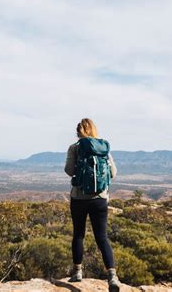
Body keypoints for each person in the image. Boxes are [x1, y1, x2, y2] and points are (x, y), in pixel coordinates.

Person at [64, 118, 121, 292]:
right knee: (102, 238)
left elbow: (69, 171)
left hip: (79, 198)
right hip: (100, 199)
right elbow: (113, 172)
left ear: (78, 132)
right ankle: (112, 277)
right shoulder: (103, 147)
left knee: (79, 235)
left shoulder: (75, 147)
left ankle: (78, 272)